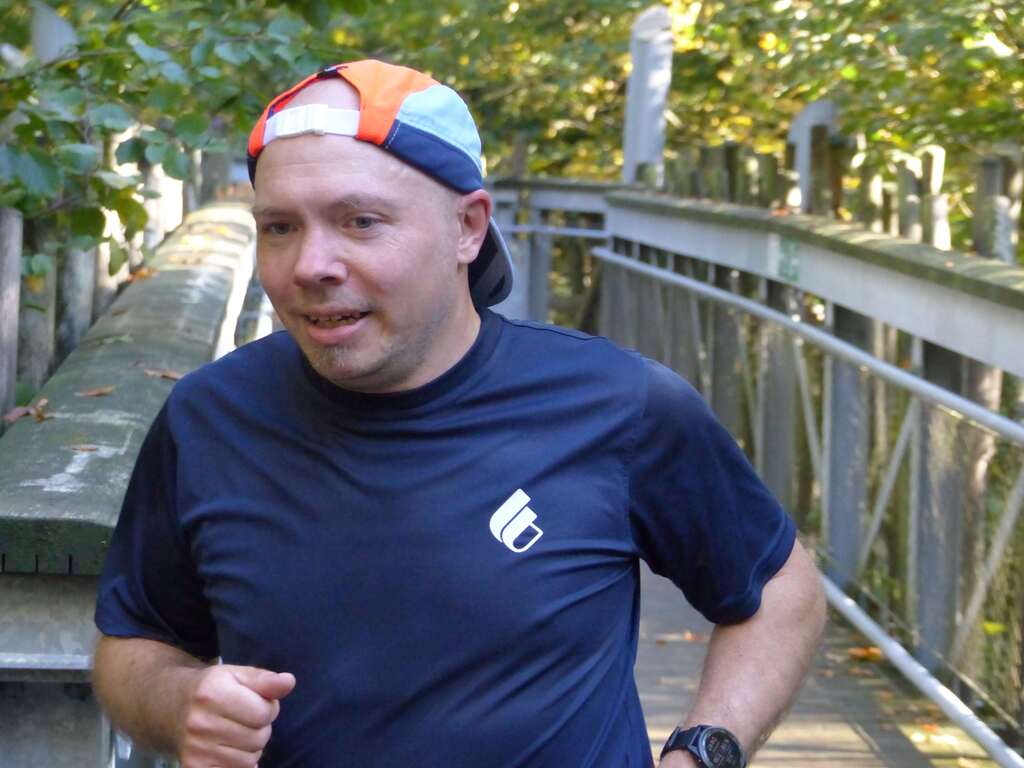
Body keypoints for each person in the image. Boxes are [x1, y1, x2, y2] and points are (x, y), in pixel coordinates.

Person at [92, 59, 825, 768]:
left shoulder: (618, 405)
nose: (311, 265)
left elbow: (779, 588)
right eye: (280, 227)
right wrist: (178, 702)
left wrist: (704, 751)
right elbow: (133, 644)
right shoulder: (209, 418)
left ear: (468, 228)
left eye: (360, 221)